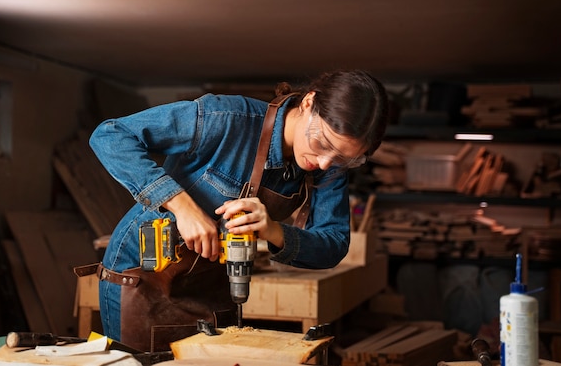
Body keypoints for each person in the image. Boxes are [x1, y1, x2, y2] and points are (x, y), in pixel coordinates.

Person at [87, 69, 389, 349]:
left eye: (344, 159)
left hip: (214, 287)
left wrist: (273, 230)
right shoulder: (225, 118)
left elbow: (333, 244)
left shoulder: (328, 165)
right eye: (322, 143)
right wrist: (182, 207)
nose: (324, 163)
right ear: (309, 102)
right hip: (142, 278)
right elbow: (110, 135)